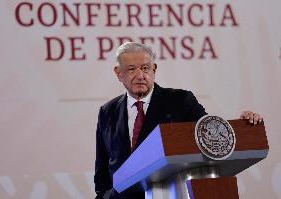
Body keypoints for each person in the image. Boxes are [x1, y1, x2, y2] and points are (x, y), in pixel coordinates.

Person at [94, 42, 263, 199]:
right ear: (118, 73)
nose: (140, 75)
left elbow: (210, 136)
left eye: (145, 68)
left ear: (154, 69)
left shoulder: (181, 101)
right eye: (131, 69)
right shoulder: (107, 112)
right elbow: (102, 169)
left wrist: (244, 126)